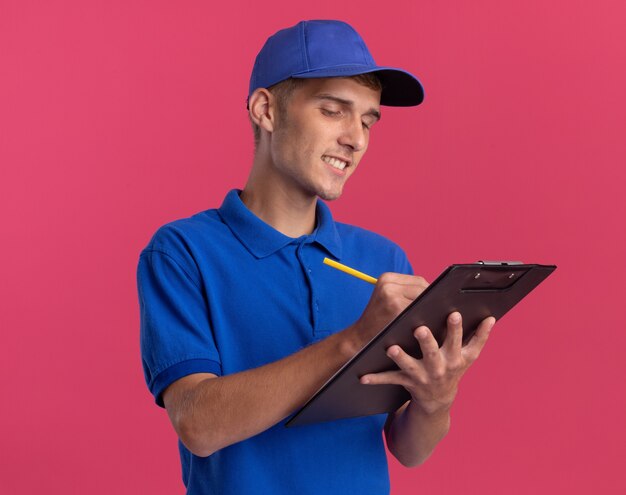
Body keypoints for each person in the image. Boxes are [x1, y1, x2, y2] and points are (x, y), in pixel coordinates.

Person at [137, 19, 495, 494]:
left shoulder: (383, 259)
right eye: (333, 111)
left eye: (368, 120)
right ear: (266, 110)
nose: (357, 139)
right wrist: (353, 342)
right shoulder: (183, 252)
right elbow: (199, 425)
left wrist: (437, 396)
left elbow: (409, 450)